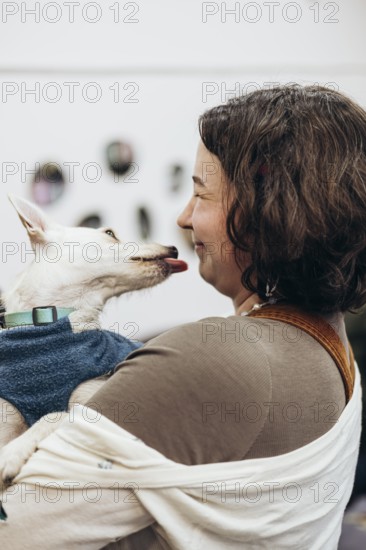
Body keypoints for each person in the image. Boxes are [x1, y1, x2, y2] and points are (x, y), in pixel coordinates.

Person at [0, 84, 365, 549]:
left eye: (202, 194)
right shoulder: (333, 348)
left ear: (265, 212)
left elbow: (13, 529)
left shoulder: (213, 358)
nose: (183, 217)